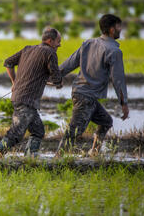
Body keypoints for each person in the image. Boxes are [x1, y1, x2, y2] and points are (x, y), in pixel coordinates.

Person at [55, 14, 129, 156]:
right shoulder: (114, 51)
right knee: (74, 131)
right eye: (119, 26)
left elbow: (69, 64)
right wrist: (123, 102)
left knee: (106, 121)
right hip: (86, 97)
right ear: (112, 29)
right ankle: (57, 160)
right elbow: (118, 79)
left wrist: (55, 75)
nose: (121, 29)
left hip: (82, 94)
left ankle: (94, 152)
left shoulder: (88, 43)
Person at [0, 27, 62, 159]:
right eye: (58, 41)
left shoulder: (27, 49)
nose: (59, 44)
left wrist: (14, 82)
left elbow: (8, 63)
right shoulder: (50, 53)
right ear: (50, 41)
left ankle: (30, 158)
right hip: (27, 101)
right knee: (15, 134)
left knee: (38, 131)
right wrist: (58, 83)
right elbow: (56, 78)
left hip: (20, 98)